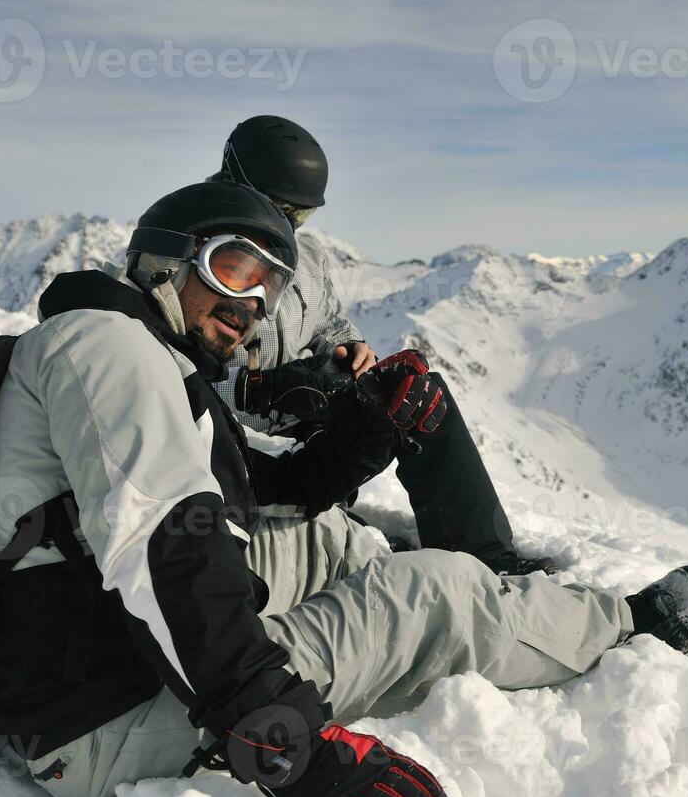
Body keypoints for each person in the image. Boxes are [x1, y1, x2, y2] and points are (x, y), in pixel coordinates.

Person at [0, 180, 688, 797]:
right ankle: (625, 630)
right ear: (165, 257)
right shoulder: (112, 350)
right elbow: (164, 549)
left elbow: (255, 494)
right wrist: (285, 742)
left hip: (97, 651)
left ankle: (501, 610)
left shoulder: (134, 352)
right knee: (437, 592)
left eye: (268, 287)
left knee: (332, 539)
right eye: (235, 268)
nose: (250, 304)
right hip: (104, 724)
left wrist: (369, 430)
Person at [212, 115, 554, 575]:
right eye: (282, 209)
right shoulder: (201, 259)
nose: (290, 226)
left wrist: (351, 352)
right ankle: (343, 538)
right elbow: (174, 374)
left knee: (418, 398)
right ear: (242, 187)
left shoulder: (305, 257)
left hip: (307, 420)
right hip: (239, 450)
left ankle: (484, 559)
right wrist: (266, 387)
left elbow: (330, 323)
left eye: (303, 215)